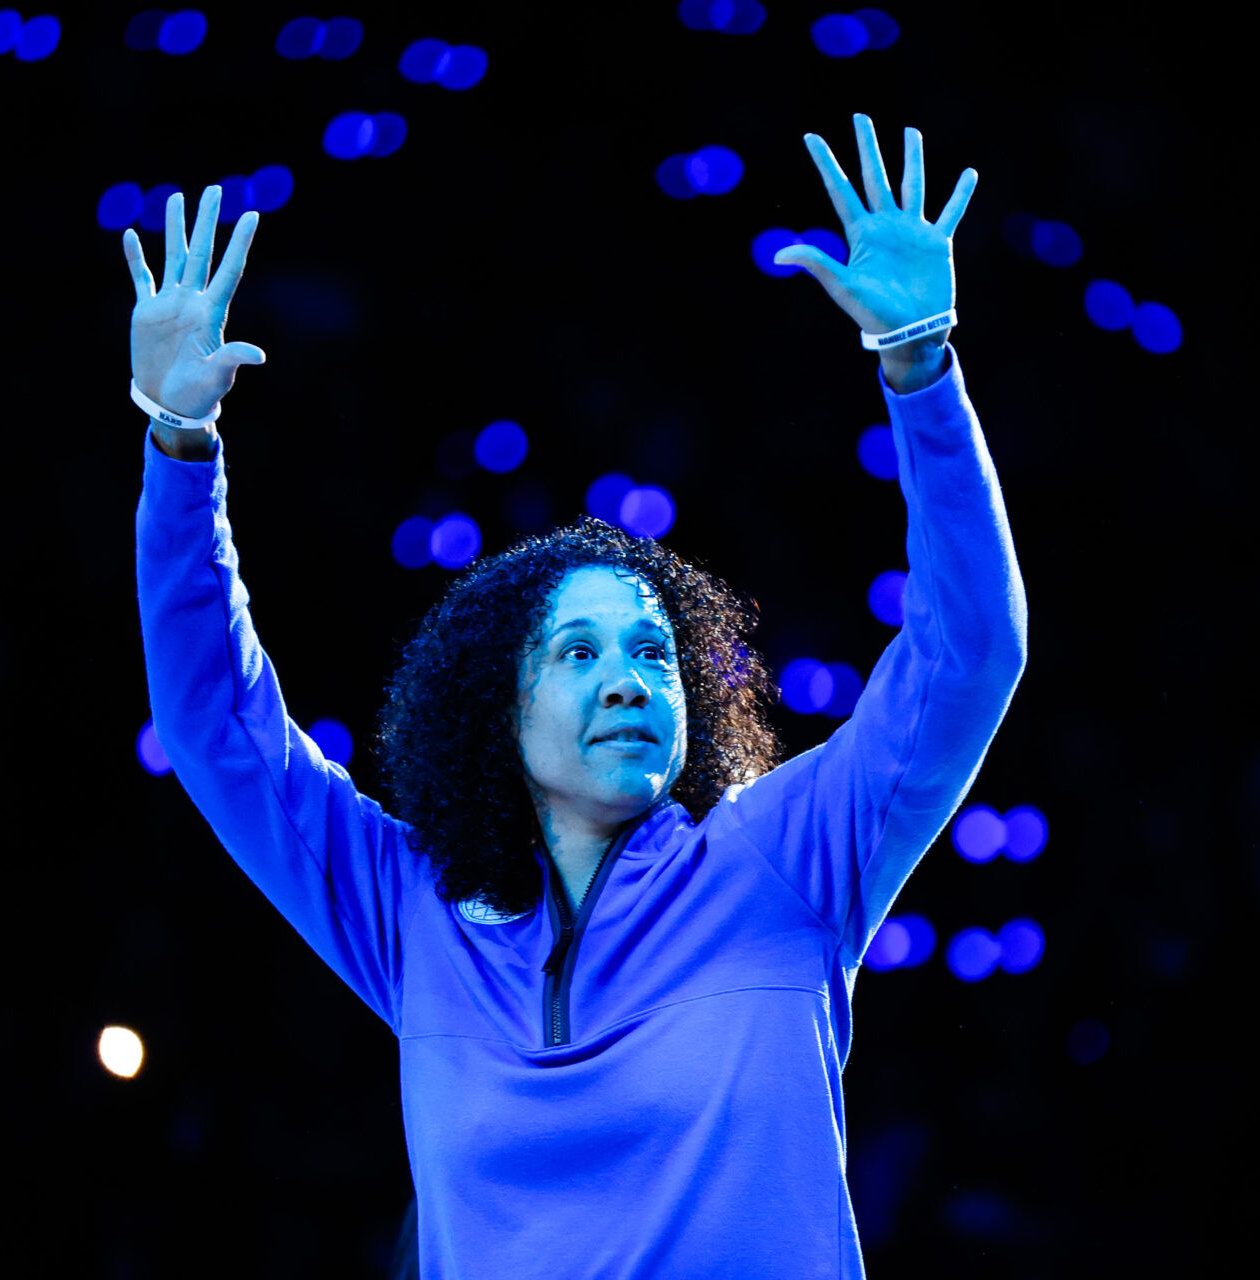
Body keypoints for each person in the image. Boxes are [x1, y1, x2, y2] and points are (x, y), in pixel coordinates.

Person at [128, 113, 1026, 1279]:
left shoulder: (785, 862)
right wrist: (179, 445)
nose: (627, 679)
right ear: (502, 711)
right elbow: (217, 729)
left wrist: (920, 367)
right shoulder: (416, 918)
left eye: (655, 653)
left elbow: (967, 655)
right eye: (580, 652)